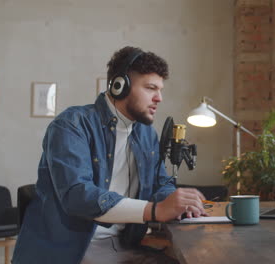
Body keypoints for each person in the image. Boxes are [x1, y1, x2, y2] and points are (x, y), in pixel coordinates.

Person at [12, 46, 207, 264]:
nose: (159, 98)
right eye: (151, 88)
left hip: (121, 245)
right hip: (69, 251)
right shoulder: (71, 125)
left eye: (160, 90)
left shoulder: (145, 134)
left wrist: (179, 203)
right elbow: (78, 196)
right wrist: (155, 211)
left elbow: (160, 184)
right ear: (119, 86)